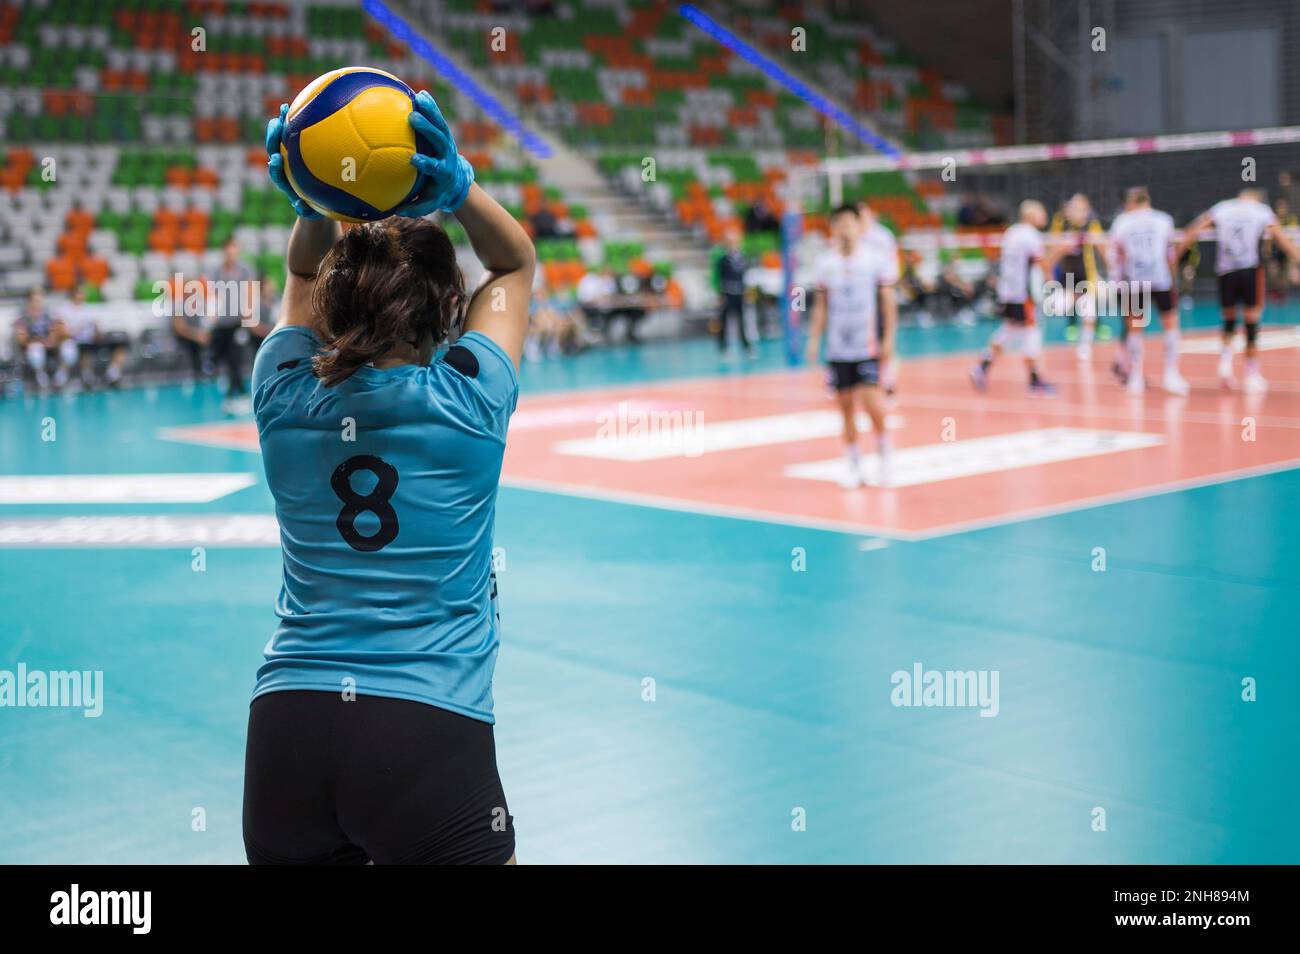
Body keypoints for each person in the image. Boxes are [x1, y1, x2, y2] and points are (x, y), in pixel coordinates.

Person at [242, 92, 533, 865]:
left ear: (332, 305)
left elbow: (303, 267)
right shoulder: (471, 400)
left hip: (288, 731)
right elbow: (513, 262)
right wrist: (461, 187)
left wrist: (315, 195)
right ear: (447, 306)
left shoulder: (283, 389)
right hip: (428, 732)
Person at [804, 204, 898, 489]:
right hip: (838, 349)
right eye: (839, 224)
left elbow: (888, 303)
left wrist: (888, 338)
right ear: (833, 229)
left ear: (859, 227)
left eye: (850, 224)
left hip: (866, 346)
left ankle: (885, 461)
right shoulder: (826, 265)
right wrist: (814, 339)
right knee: (845, 409)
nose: (845, 230)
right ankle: (853, 467)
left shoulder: (875, 261)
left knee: (873, 405)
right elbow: (821, 305)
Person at [1181, 188, 1300, 393]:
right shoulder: (1261, 210)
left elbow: (1194, 229)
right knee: (1251, 319)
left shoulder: (1222, 208)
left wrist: (1176, 254)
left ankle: (1225, 368)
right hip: (1248, 271)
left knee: (1229, 319)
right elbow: (1281, 238)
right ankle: (1251, 374)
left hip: (1226, 272)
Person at [970, 200, 1062, 396]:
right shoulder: (1031, 236)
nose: (1044, 215)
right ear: (1029, 215)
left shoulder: (1011, 232)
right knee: (1032, 331)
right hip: (1023, 294)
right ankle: (1034, 379)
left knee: (1010, 330)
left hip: (1007, 292)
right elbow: (1044, 265)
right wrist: (1059, 253)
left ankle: (982, 367)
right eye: (1040, 212)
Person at [1108, 186, 1188, 396]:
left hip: (1135, 280)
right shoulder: (1164, 220)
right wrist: (1174, 278)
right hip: (1161, 279)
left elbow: (1117, 254)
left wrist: (1116, 282)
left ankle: (1135, 376)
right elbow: (1169, 254)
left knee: (1135, 328)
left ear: (1131, 202)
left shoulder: (1122, 222)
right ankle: (1172, 375)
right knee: (1170, 325)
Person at [1049, 193, 1107, 359]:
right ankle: (1071, 325)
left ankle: (1086, 345)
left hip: (1086, 275)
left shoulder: (1091, 224)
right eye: (1074, 208)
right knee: (1059, 306)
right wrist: (1062, 248)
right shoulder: (1061, 222)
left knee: (1090, 309)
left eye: (1082, 209)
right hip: (1065, 277)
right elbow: (1052, 249)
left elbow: (1103, 247)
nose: (1078, 212)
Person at [857, 201, 903, 389]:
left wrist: (889, 286)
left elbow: (893, 264)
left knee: (885, 337)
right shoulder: (855, 237)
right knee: (862, 339)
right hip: (861, 295)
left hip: (881, 292)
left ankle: (889, 382)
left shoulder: (883, 236)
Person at [209, 238, 257, 414]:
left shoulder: (244, 270)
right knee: (223, 359)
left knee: (234, 359)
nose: (231, 255)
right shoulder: (216, 272)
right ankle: (239, 393)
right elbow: (212, 294)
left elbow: (250, 291)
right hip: (221, 323)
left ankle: (234, 396)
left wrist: (248, 314)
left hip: (237, 322)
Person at [58, 286, 128, 389]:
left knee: (120, 346)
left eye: (82, 294)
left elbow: (96, 328)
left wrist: (97, 332)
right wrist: (79, 328)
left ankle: (112, 375)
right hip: (76, 341)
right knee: (83, 349)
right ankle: (86, 378)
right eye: (79, 293)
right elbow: (63, 331)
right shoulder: (64, 311)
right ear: (73, 294)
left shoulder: (88, 309)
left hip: (92, 339)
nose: (82, 296)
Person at [13, 288, 76, 392]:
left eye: (40, 300)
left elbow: (54, 329)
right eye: (35, 300)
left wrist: (53, 339)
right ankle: (42, 379)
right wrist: (38, 342)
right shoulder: (22, 316)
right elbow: (22, 338)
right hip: (32, 346)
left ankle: (60, 378)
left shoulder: (48, 314)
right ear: (29, 301)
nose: (38, 303)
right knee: (36, 349)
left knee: (69, 346)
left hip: (49, 346)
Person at [715, 227, 754, 358]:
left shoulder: (743, 259)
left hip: (740, 293)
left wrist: (747, 292)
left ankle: (747, 347)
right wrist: (720, 295)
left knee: (742, 321)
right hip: (727, 293)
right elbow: (719, 278)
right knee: (724, 321)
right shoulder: (723, 260)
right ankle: (723, 348)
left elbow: (746, 277)